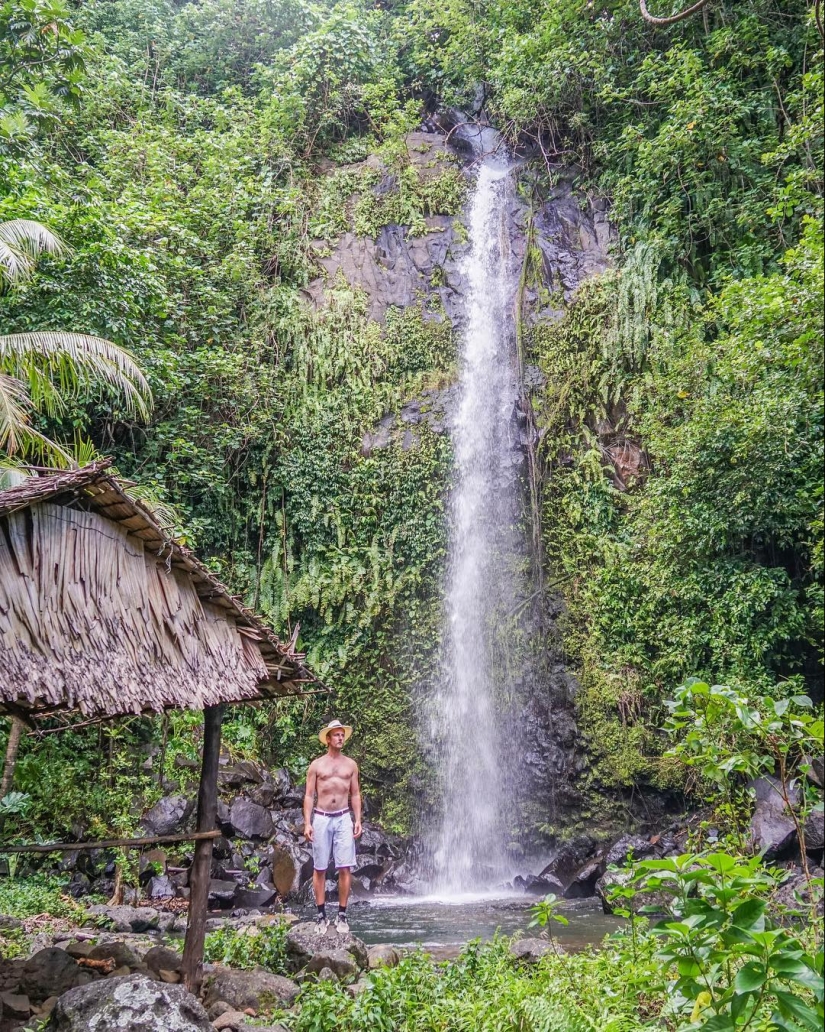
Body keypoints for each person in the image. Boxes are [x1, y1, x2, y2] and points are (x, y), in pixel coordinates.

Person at [303, 719, 362, 935]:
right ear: (328, 739)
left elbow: (355, 793)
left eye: (342, 735)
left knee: (345, 867)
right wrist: (307, 823)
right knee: (319, 868)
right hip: (322, 817)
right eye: (336, 735)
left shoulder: (351, 765)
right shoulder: (317, 765)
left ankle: (342, 915)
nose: (340, 738)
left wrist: (358, 819)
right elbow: (309, 795)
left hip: (343, 817)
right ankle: (320, 915)